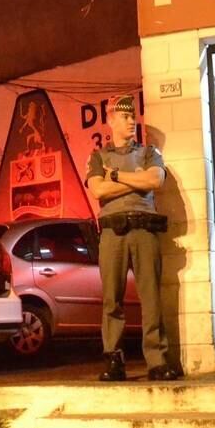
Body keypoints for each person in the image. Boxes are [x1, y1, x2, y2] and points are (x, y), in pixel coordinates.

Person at [85, 95, 179, 382]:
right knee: (111, 300)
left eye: (132, 116)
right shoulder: (99, 156)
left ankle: (156, 361)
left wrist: (113, 177)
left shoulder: (150, 152)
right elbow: (97, 191)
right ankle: (113, 360)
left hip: (144, 231)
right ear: (111, 120)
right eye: (124, 117)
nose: (131, 121)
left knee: (151, 298)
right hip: (113, 232)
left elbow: (153, 181)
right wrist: (130, 178)